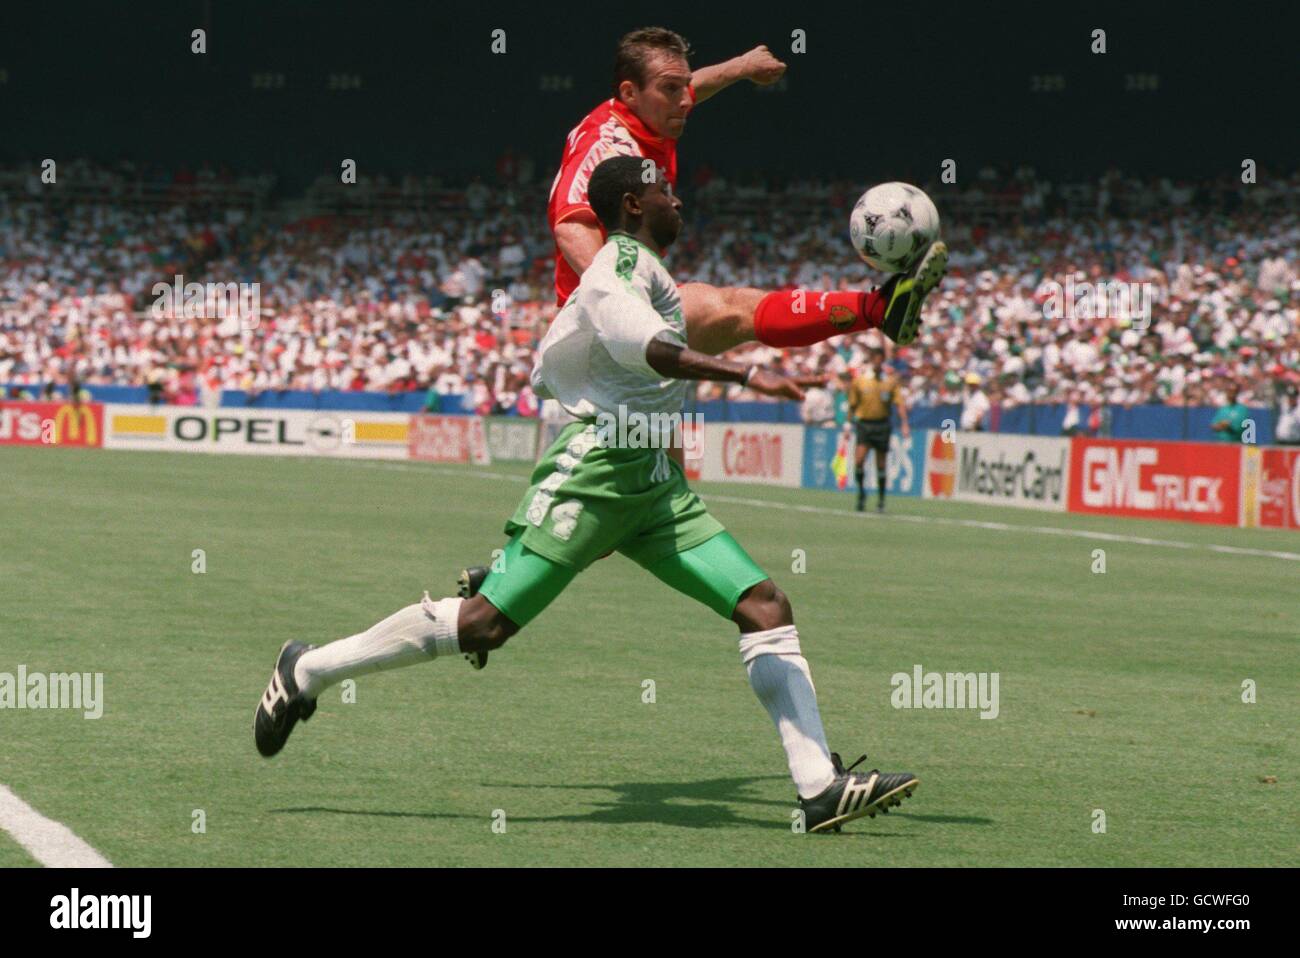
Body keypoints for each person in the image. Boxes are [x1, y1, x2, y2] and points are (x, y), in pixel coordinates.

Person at [254, 157, 919, 833]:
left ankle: (818, 789)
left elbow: (732, 315)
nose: (678, 196)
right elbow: (653, 351)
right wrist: (747, 375)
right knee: (486, 624)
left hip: (655, 487)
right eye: (664, 188)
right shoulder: (613, 272)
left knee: (764, 604)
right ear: (633, 204)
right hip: (596, 468)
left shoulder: (650, 268)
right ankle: (307, 670)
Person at [547, 27, 947, 355]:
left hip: (619, 320)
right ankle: (877, 309)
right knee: (731, 310)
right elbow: (571, 228)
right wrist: (626, 300)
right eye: (672, 89)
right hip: (595, 323)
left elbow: (693, 87)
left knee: (659, 447)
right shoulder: (609, 147)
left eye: (683, 86)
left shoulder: (650, 113)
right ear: (630, 93)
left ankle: (878, 310)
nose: (685, 101)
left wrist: (741, 66)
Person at [848, 348, 909, 512]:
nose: (877, 362)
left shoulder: (889, 382)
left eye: (880, 360)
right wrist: (848, 425)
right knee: (859, 460)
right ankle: (861, 493)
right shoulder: (860, 381)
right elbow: (852, 405)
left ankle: (881, 500)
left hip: (882, 425)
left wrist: (904, 423)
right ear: (871, 360)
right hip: (864, 425)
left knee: (880, 465)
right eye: (875, 359)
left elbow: (899, 403)